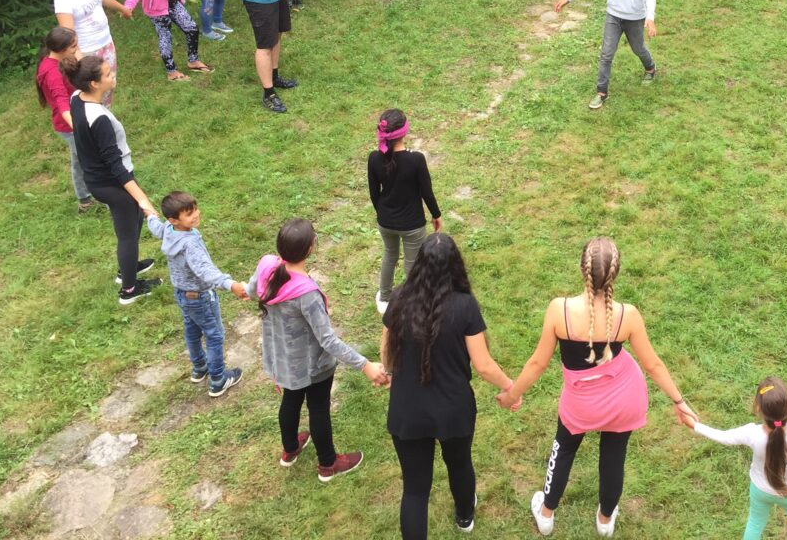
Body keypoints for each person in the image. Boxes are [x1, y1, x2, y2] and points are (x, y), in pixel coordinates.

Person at [497, 237, 696, 538]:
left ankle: (547, 514)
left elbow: (536, 364)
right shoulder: (628, 315)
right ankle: (605, 520)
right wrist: (679, 401)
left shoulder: (559, 310)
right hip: (624, 401)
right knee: (614, 457)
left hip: (580, 405)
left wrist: (512, 394)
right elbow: (653, 365)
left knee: (563, 450)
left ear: (582, 270)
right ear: (615, 274)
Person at [381, 233, 518, 538]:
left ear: (419, 265)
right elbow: (483, 365)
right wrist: (511, 387)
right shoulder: (465, 306)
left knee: (415, 490)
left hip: (408, 409)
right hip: (453, 410)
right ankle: (465, 516)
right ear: (456, 265)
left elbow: (387, 351)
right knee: (459, 464)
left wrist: (390, 376)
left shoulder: (400, 298)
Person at [249, 218, 387, 482]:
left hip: (284, 361)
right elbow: (329, 341)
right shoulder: (307, 295)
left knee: (290, 401)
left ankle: (290, 450)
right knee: (318, 408)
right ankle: (328, 464)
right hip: (314, 366)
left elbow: (249, 290)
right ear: (310, 249)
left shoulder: (267, 266)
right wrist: (365, 365)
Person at [681, 377, 787, 540]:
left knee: (755, 522)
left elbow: (724, 437)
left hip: (760, 490)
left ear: (758, 407)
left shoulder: (751, 434)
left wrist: (695, 425)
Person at [68, 55, 160, 304]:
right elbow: (116, 167)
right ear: (94, 84)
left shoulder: (76, 98)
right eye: (107, 74)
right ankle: (129, 289)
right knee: (127, 235)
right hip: (112, 183)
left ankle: (128, 267)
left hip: (100, 178)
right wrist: (143, 199)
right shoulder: (99, 119)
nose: (112, 76)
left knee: (134, 221)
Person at [146, 192, 249, 397]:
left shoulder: (169, 229)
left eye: (195, 209)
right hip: (200, 296)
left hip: (183, 295)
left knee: (192, 331)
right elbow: (205, 271)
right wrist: (230, 284)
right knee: (214, 334)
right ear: (174, 220)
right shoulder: (189, 243)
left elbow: (157, 228)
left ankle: (199, 367)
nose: (195, 215)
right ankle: (218, 379)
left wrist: (149, 214)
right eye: (188, 214)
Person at [367, 109, 443, 314]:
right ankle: (413, 302)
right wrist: (436, 215)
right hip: (412, 225)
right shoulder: (416, 159)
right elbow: (427, 192)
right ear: (404, 132)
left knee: (389, 256)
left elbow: (374, 193)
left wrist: (383, 213)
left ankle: (384, 297)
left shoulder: (374, 158)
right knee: (413, 262)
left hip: (386, 222)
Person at [51, 0, 130, 106]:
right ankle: (94, 119)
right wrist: (82, 61)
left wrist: (123, 9)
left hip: (106, 43)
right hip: (87, 52)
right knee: (93, 90)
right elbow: (68, 36)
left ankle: (105, 113)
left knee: (109, 82)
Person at [35, 26, 94, 212]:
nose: (76, 49)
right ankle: (102, 196)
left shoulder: (56, 59)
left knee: (79, 159)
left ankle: (84, 199)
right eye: (73, 46)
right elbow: (62, 104)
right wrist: (77, 128)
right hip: (69, 125)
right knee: (90, 160)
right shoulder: (51, 73)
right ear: (60, 49)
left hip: (77, 119)